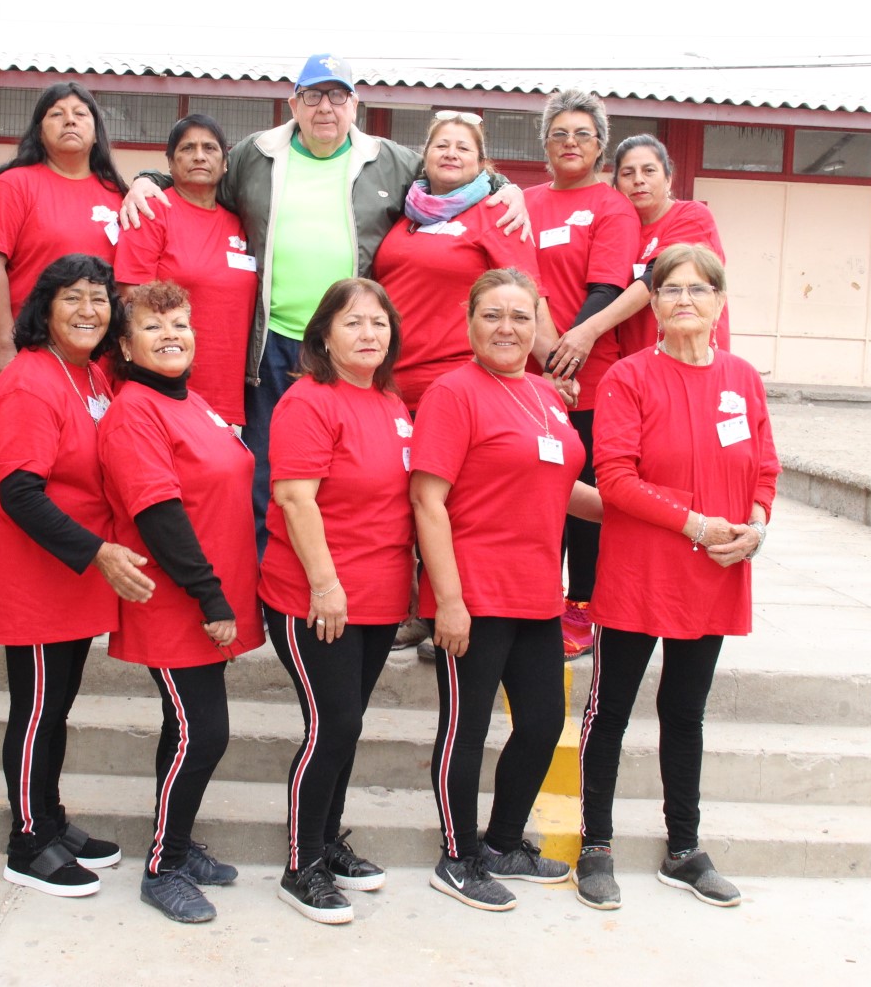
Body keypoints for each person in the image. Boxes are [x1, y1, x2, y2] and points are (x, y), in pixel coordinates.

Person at [120, 54, 528, 561]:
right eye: (313, 95)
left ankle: (341, 570)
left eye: (337, 96)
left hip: (348, 343)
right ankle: (269, 577)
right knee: (266, 467)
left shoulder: (389, 159)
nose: (325, 107)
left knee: (349, 468)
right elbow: (199, 174)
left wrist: (506, 187)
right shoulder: (256, 154)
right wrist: (148, 179)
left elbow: (452, 172)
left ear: (355, 104)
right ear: (294, 104)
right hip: (271, 343)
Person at [574, 243, 777, 912]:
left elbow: (765, 467)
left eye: (698, 289)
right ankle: (596, 845)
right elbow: (615, 478)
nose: (684, 299)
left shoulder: (742, 378)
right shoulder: (628, 378)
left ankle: (684, 848)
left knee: (685, 713)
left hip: (714, 572)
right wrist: (694, 524)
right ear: (653, 304)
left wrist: (755, 526)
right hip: (640, 572)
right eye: (670, 289)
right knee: (609, 713)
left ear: (720, 302)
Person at [410, 268, 603, 913]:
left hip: (537, 593)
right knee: (465, 730)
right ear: (469, 322)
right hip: (476, 592)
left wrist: (632, 510)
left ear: (537, 325)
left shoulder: (546, 395)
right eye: (492, 314)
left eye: (521, 316)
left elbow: (558, 486)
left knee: (543, 723)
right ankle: (458, 858)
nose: (507, 328)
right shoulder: (452, 393)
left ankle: (500, 845)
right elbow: (428, 501)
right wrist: (448, 601)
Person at [0, 254, 155, 898]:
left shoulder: (90, 375)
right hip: (39, 575)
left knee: (57, 708)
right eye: (73, 298)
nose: (88, 310)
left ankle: (50, 820)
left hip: (78, 571)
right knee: (36, 713)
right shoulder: (31, 382)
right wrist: (98, 552)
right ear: (44, 307)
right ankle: (28, 842)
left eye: (99, 298)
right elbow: (20, 494)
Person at [98, 281, 266, 924]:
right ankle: (163, 868)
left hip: (209, 596)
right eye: (152, 326)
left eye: (180, 323)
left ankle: (179, 841)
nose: (171, 335)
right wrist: (211, 598)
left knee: (184, 728)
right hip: (177, 602)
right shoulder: (135, 410)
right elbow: (158, 513)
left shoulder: (193, 402)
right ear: (124, 345)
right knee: (204, 732)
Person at [258, 278, 414, 924]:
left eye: (378, 322)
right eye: (353, 323)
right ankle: (302, 866)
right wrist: (325, 585)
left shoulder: (391, 402)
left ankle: (326, 841)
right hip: (317, 597)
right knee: (334, 725)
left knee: (346, 726)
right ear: (323, 336)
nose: (368, 333)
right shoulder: (308, 401)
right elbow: (296, 498)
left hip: (378, 596)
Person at [524, 91, 639, 661]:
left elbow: (608, 288)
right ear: (545, 145)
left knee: (587, 494)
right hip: (527, 380)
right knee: (534, 492)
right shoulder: (524, 203)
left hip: (591, 381)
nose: (570, 143)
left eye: (583, 135)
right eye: (559, 134)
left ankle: (583, 605)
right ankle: (533, 598)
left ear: (600, 147)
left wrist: (567, 356)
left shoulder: (611, 206)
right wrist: (547, 361)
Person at [371, 112, 554, 410]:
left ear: (481, 163)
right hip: (386, 384)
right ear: (425, 157)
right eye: (441, 145)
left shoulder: (499, 213)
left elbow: (530, 295)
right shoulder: (407, 212)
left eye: (463, 148)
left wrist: (555, 369)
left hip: (454, 388)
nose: (451, 153)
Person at [0, 82, 129, 373]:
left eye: (80, 114)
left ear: (97, 133)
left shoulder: (119, 195)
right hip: (31, 351)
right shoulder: (14, 184)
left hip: (100, 358)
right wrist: (6, 345)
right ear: (39, 132)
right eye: (57, 114)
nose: (70, 120)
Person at [114, 114, 255, 427]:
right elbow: (132, 298)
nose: (199, 156)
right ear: (170, 162)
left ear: (225, 163)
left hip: (227, 391)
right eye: (187, 148)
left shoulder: (242, 222)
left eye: (210, 148)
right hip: (165, 388)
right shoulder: (152, 211)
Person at [553, 134, 731, 376]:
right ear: (616, 185)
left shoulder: (692, 216)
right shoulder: (619, 229)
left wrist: (587, 331)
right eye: (628, 173)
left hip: (691, 364)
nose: (638, 180)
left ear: (668, 178)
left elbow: (655, 277)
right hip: (636, 369)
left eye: (649, 171)